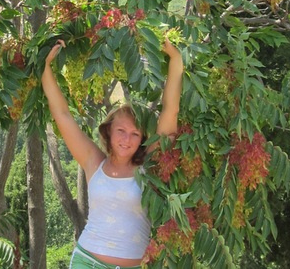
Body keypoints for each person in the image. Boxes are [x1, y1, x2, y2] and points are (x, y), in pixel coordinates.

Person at [41, 37, 184, 269]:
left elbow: (171, 111)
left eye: (135, 134)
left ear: (143, 138)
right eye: (121, 131)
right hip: (86, 261)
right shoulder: (93, 161)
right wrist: (45, 67)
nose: (127, 140)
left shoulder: (149, 165)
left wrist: (175, 59)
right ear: (108, 131)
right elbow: (62, 114)